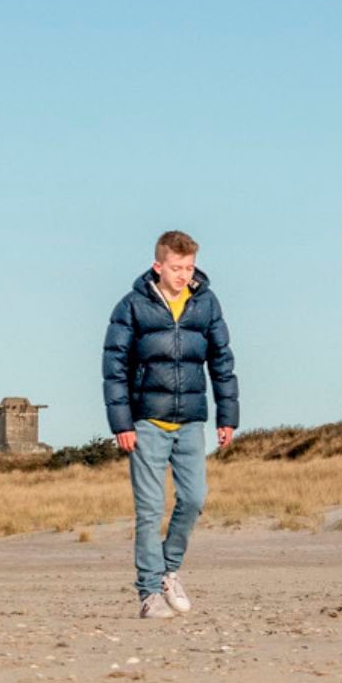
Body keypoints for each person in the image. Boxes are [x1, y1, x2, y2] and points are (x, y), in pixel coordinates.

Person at [102, 229, 239, 620]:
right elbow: (114, 368)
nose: (183, 275)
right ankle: (148, 592)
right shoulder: (131, 307)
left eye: (189, 267)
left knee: (194, 498)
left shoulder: (206, 304)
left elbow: (222, 362)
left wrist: (227, 416)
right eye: (176, 268)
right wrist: (121, 422)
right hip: (145, 422)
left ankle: (168, 570)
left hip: (191, 420)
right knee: (149, 510)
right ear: (157, 266)